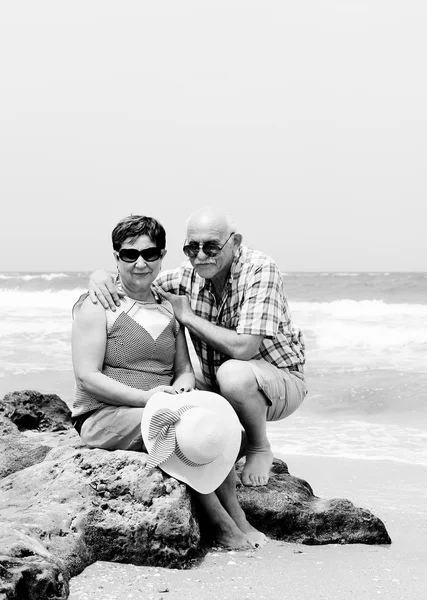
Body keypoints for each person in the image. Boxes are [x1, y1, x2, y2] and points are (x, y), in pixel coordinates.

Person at [72, 214, 265, 549]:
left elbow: (184, 370)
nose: (140, 263)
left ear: (162, 256)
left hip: (161, 404)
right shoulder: (98, 305)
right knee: (174, 430)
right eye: (129, 255)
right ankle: (223, 524)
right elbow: (87, 378)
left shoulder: (168, 308)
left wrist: (183, 389)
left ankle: (237, 516)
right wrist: (149, 399)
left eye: (149, 254)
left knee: (221, 428)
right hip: (105, 414)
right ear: (116, 256)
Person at [89, 207, 307, 488]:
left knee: (234, 375)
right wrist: (99, 276)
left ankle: (259, 447)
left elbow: (244, 349)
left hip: (278, 384)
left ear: (235, 242)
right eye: (192, 247)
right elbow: (137, 278)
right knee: (184, 402)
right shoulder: (186, 276)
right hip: (216, 382)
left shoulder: (260, 270)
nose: (201, 255)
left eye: (212, 246)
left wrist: (188, 317)